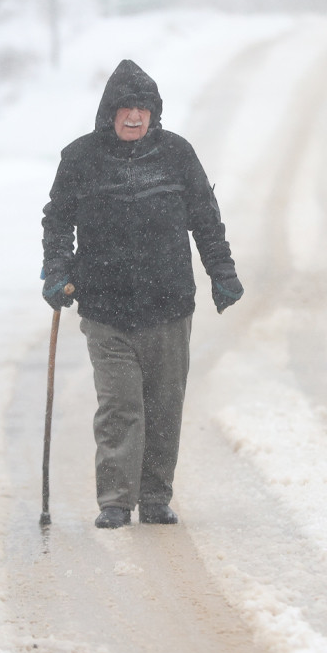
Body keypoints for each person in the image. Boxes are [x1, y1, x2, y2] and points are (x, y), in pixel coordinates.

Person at [40, 59, 243, 529]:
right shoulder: (81, 159)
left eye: (144, 108)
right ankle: (115, 499)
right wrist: (56, 269)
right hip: (105, 306)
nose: (135, 116)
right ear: (108, 112)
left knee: (164, 404)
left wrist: (222, 272)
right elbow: (57, 221)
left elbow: (205, 219)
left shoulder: (176, 155)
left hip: (168, 304)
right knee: (120, 404)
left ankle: (154, 496)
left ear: (155, 113)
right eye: (126, 107)